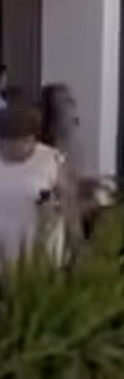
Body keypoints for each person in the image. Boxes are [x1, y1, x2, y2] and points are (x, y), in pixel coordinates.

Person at [0, 102, 69, 264]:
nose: (18, 147)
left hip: (39, 254)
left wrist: (55, 207)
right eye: (10, 142)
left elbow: (68, 198)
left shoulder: (50, 159)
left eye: (24, 141)